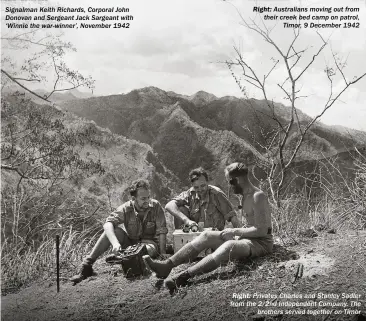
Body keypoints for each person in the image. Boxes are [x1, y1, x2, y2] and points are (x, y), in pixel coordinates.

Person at [143, 162, 273, 292]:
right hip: (246, 237)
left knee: (228, 246)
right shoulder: (245, 195)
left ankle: (183, 276)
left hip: (260, 243)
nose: (229, 185)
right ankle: (166, 266)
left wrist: (234, 231)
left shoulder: (258, 196)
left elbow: (262, 230)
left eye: (229, 182)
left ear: (236, 180)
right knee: (206, 235)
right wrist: (236, 233)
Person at [70, 179, 168, 284]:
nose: (147, 201)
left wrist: (162, 253)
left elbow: (162, 231)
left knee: (147, 249)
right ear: (134, 198)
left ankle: (122, 258)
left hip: (150, 244)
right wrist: (115, 243)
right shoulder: (126, 208)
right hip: (131, 244)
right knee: (115, 231)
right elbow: (108, 224)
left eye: (148, 197)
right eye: (143, 198)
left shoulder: (155, 206)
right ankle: (86, 266)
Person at [165, 167, 241, 231]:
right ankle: (181, 240)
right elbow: (169, 205)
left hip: (214, 235)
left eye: (203, 186)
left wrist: (241, 236)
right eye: (196, 187)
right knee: (181, 209)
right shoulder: (190, 193)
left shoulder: (217, 194)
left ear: (207, 182)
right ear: (192, 185)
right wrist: (187, 220)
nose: (200, 189)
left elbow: (232, 217)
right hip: (195, 235)